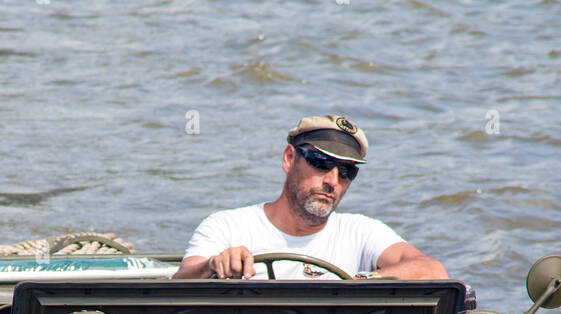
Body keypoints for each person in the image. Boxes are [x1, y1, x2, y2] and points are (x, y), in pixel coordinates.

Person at [173, 114, 447, 281]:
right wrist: (213, 266)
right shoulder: (228, 227)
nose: (331, 181)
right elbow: (179, 283)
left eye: (346, 171)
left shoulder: (362, 232)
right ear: (289, 159)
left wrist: (357, 282)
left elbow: (431, 270)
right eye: (320, 162)